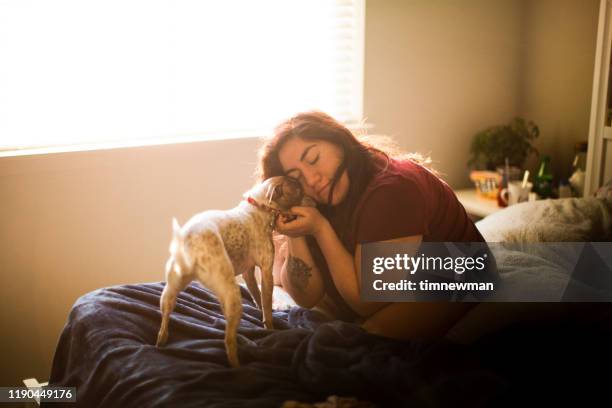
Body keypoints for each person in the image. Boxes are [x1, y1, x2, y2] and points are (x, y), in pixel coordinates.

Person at [258, 111, 493, 340]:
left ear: (338, 141)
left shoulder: (392, 189)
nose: (311, 179)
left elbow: (366, 302)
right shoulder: (321, 194)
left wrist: (320, 229)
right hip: (390, 275)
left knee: (368, 342)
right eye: (296, 177)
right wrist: (294, 231)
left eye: (313, 159)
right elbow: (306, 297)